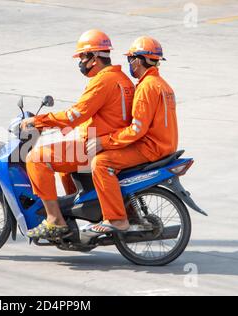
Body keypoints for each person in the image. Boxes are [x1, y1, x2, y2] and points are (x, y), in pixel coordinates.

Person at [20, 29, 135, 239]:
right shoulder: (121, 79)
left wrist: (39, 121)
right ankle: (74, 214)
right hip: (108, 141)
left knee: (36, 158)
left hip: (97, 145)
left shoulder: (103, 81)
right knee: (63, 168)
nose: (80, 61)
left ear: (94, 58)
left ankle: (55, 220)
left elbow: (76, 114)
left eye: (82, 56)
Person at [85, 36, 179, 234]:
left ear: (138, 60)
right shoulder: (163, 85)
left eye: (130, 59)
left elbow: (136, 129)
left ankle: (116, 219)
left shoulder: (146, 88)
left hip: (150, 148)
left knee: (101, 164)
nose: (129, 64)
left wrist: (104, 142)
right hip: (165, 145)